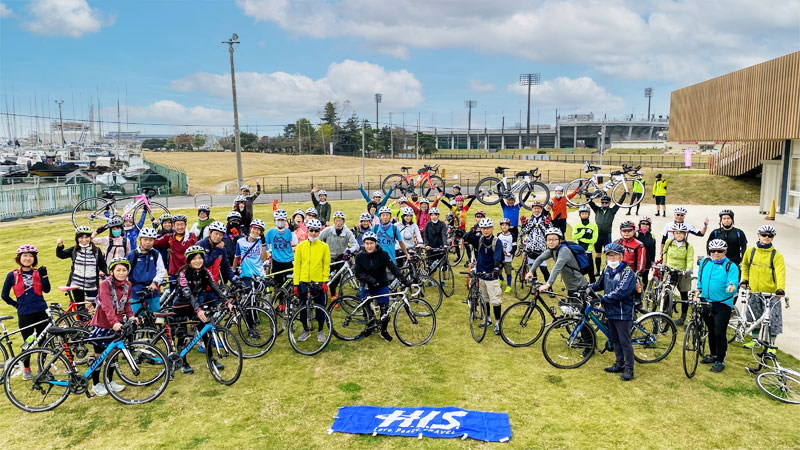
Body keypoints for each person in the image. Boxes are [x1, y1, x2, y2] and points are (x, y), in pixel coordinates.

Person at [173, 246, 231, 374]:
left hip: (196, 306)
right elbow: (188, 294)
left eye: (200, 258)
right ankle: (182, 360)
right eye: (194, 259)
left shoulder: (205, 272)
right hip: (181, 306)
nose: (198, 261)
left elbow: (215, 287)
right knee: (181, 335)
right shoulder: (183, 273)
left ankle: (211, 359)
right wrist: (198, 310)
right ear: (189, 261)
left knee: (205, 333)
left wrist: (226, 301)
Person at [87, 257, 137, 396]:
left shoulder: (128, 284)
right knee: (99, 356)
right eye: (118, 270)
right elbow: (107, 306)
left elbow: (127, 304)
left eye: (124, 270)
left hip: (117, 324)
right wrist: (114, 322)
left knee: (114, 355)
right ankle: (95, 384)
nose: (121, 273)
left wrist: (131, 316)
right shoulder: (105, 284)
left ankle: (109, 381)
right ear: (112, 271)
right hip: (102, 324)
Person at [589, 243, 637, 381]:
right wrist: (588, 288)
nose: (612, 258)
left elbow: (622, 291)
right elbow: (599, 284)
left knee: (625, 342)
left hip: (623, 312)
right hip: (610, 310)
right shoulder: (607, 269)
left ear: (621, 256)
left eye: (615, 255)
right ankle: (619, 363)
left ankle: (629, 368)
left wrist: (604, 298)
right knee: (615, 339)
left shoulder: (627, 272)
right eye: (609, 255)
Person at [1, 245, 50, 380]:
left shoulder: (38, 272)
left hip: (41, 312)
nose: (28, 259)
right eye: (25, 256)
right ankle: (27, 368)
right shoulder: (12, 275)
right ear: (19, 258)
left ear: (34, 258)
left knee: (43, 342)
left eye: (30, 256)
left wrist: (44, 276)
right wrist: (17, 305)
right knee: (28, 342)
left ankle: (41, 367)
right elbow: (4, 295)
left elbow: (47, 290)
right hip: (25, 314)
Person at [353, 231, 413, 341]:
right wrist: (370, 280)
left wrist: (405, 281)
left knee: (384, 309)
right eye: (367, 243)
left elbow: (393, 268)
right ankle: (369, 327)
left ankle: (384, 331)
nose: (369, 246)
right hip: (367, 284)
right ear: (364, 244)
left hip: (381, 284)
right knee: (366, 308)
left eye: (372, 243)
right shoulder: (359, 256)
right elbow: (357, 272)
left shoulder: (383, 254)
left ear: (376, 243)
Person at [740, 224, 786, 350]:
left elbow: (780, 273)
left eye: (769, 236)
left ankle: (771, 345)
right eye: (764, 235)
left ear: (772, 238)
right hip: (755, 291)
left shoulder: (777, 255)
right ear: (758, 236)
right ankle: (755, 340)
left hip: (772, 294)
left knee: (773, 319)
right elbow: (745, 265)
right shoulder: (750, 251)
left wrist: (780, 288)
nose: (766, 237)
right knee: (754, 316)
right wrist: (745, 279)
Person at [698, 239, 740, 373]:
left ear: (725, 251)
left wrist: (731, 288)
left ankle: (720, 360)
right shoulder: (705, 262)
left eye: (719, 251)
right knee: (710, 329)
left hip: (723, 303)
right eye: (713, 251)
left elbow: (733, 282)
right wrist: (699, 289)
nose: (716, 253)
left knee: (719, 331)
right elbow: (700, 277)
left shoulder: (731, 266)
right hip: (706, 300)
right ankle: (714, 354)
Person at [293, 219, 331, 343]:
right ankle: (305, 330)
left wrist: (325, 281)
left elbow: (326, 265)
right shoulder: (300, 246)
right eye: (311, 230)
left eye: (316, 231)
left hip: (318, 282)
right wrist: (296, 283)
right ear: (307, 231)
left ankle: (320, 330)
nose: (313, 233)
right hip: (303, 281)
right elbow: (297, 266)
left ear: (319, 232)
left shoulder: (324, 247)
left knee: (320, 308)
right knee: (302, 307)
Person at [464, 218, 504, 334]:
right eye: (483, 228)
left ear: (492, 228)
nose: (485, 231)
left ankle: (497, 322)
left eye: (488, 228)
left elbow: (497, 256)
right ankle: (488, 319)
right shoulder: (479, 240)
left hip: (491, 275)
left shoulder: (497, 241)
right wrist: (472, 230)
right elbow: (466, 238)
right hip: (481, 274)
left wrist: (496, 268)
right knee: (484, 299)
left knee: (495, 300)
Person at [56, 226, 108, 307]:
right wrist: (60, 246)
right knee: (80, 309)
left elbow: (102, 265)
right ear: (77, 238)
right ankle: (82, 319)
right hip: (76, 284)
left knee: (98, 307)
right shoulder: (74, 250)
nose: (84, 240)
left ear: (90, 238)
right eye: (81, 237)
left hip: (92, 285)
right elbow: (61, 255)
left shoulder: (96, 251)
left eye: (87, 237)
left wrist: (109, 274)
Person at [527, 227, 588, 296]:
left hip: (578, 285)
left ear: (560, 240)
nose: (551, 242)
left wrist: (548, 284)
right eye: (548, 239)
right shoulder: (552, 250)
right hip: (570, 286)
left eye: (554, 239)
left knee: (580, 305)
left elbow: (557, 268)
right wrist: (531, 271)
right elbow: (540, 258)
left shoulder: (564, 251)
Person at [126, 227, 166, 315]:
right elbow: (125, 273)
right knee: (136, 317)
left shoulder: (156, 254)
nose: (148, 242)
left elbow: (161, 271)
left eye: (151, 240)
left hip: (152, 290)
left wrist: (155, 282)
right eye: (145, 239)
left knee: (156, 316)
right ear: (140, 239)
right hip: (136, 290)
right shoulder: (132, 255)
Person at [319, 211, 358, 296]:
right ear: (334, 221)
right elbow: (318, 238)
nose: (338, 223)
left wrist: (349, 251)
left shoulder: (347, 232)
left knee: (338, 275)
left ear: (344, 222)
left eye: (340, 221)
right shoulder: (328, 230)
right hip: (329, 255)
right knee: (329, 274)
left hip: (341, 256)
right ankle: (328, 291)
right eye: (336, 220)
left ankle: (333, 293)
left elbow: (356, 245)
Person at [662, 222, 695, 325]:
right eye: (677, 233)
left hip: (682, 271)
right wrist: (664, 263)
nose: (679, 235)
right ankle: (663, 314)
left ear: (685, 234)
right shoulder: (669, 242)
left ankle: (682, 317)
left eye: (681, 233)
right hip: (670, 269)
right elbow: (665, 252)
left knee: (684, 294)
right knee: (667, 292)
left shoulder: (688, 246)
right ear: (674, 234)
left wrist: (689, 268)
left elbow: (690, 258)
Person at [153, 214, 197, 289]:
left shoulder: (191, 237)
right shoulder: (169, 237)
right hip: (174, 272)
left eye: (182, 224)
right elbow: (154, 242)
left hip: (189, 271)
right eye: (177, 225)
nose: (180, 227)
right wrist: (154, 229)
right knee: (173, 295)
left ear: (185, 225)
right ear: (173, 226)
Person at [588, 194, 626, 277]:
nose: (604, 204)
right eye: (602, 202)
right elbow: (590, 203)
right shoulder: (597, 210)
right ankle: (598, 271)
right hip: (598, 235)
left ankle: (608, 271)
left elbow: (619, 203)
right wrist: (587, 195)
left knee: (608, 253)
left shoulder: (612, 211)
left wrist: (624, 194)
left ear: (609, 203)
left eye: (606, 202)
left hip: (607, 235)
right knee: (598, 254)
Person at [520, 200, 552, 283]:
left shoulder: (546, 220)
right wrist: (523, 225)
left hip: (541, 249)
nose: (537, 210)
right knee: (532, 270)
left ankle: (549, 287)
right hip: (530, 248)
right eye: (535, 208)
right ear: (532, 209)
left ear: (541, 209)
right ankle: (535, 286)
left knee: (544, 269)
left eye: (538, 208)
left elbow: (550, 234)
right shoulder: (529, 220)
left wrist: (546, 225)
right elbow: (522, 233)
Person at [265, 209, 297, 289]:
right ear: (275, 220)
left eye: (282, 220)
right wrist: (268, 253)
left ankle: (287, 298)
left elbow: (295, 242)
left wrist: (292, 232)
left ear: (285, 221)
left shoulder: (288, 231)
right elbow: (266, 244)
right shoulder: (270, 232)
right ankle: (279, 298)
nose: (280, 222)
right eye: (278, 220)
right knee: (278, 282)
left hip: (288, 260)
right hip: (277, 260)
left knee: (288, 282)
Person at [572, 206, 598, 284]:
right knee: (579, 269)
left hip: (588, 251)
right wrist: (583, 232)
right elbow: (574, 236)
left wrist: (581, 239)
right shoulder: (577, 225)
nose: (584, 215)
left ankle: (593, 286)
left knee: (591, 271)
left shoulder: (593, 226)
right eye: (582, 214)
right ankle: (580, 284)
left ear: (589, 214)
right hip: (579, 251)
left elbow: (594, 240)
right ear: (580, 215)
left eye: (586, 213)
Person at [635, 217, 657, 293]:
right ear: (640, 224)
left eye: (647, 224)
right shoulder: (636, 234)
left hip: (647, 260)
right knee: (636, 277)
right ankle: (638, 291)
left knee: (645, 277)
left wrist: (653, 261)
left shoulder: (652, 236)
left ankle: (642, 292)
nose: (645, 225)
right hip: (637, 260)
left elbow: (653, 249)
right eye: (643, 223)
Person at [497, 218, 515, 293]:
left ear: (509, 226)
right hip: (500, 257)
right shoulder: (498, 235)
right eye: (503, 225)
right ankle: (501, 279)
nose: (504, 227)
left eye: (506, 225)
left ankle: (508, 285)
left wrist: (510, 253)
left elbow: (514, 246)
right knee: (498, 271)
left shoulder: (512, 235)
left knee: (508, 272)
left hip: (508, 258)